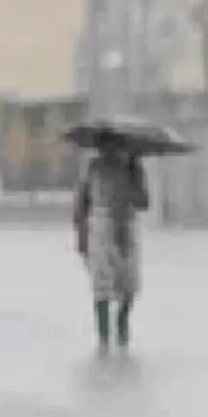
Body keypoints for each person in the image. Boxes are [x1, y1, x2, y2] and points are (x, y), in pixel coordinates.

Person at [73, 142, 149, 357]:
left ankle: (122, 323)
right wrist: (80, 232)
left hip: (127, 226)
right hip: (100, 225)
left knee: (130, 283)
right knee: (102, 283)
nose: (111, 151)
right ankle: (103, 338)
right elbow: (81, 199)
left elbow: (144, 202)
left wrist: (135, 177)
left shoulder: (135, 168)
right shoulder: (93, 167)